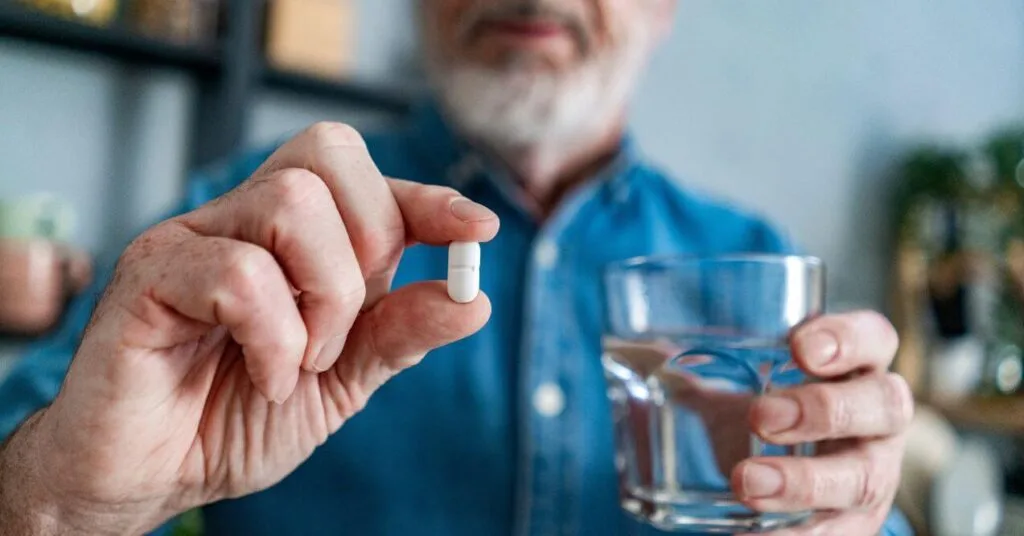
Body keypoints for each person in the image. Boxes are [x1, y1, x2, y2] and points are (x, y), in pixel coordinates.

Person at [0, 1, 914, 534]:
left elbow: (844, 504)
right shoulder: (246, 219)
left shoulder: (759, 266)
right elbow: (33, 460)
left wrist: (858, 509)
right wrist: (50, 502)